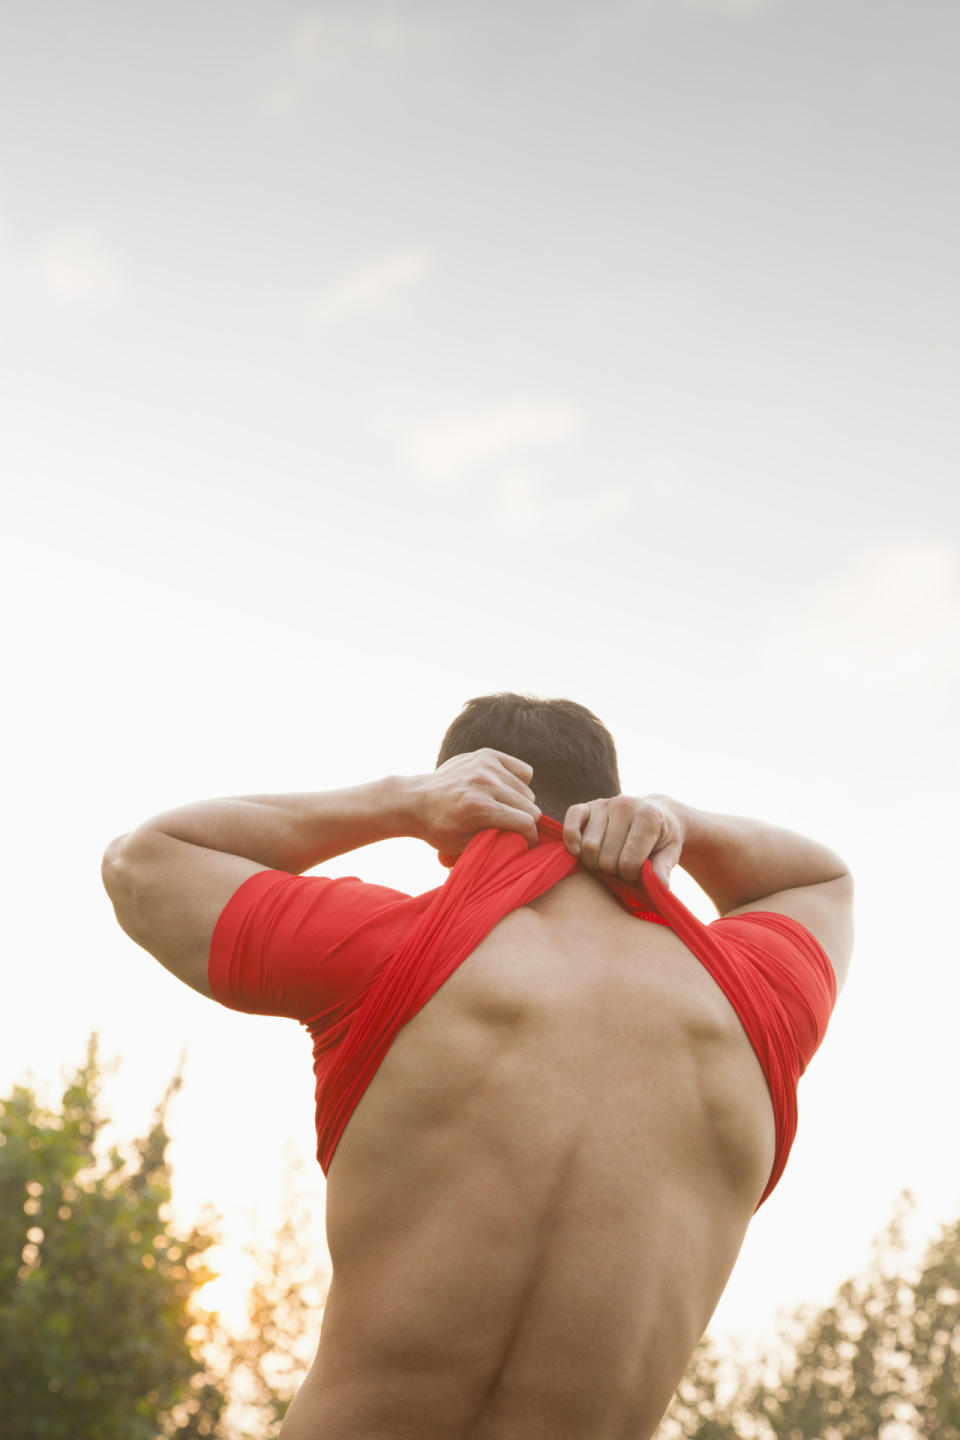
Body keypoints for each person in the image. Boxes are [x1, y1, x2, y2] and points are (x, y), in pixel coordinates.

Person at [101, 693, 853, 1440]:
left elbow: (143, 860)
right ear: (609, 800)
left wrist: (400, 802)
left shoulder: (392, 950)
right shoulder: (756, 1004)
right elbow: (820, 880)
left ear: (455, 825)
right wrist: (678, 820)